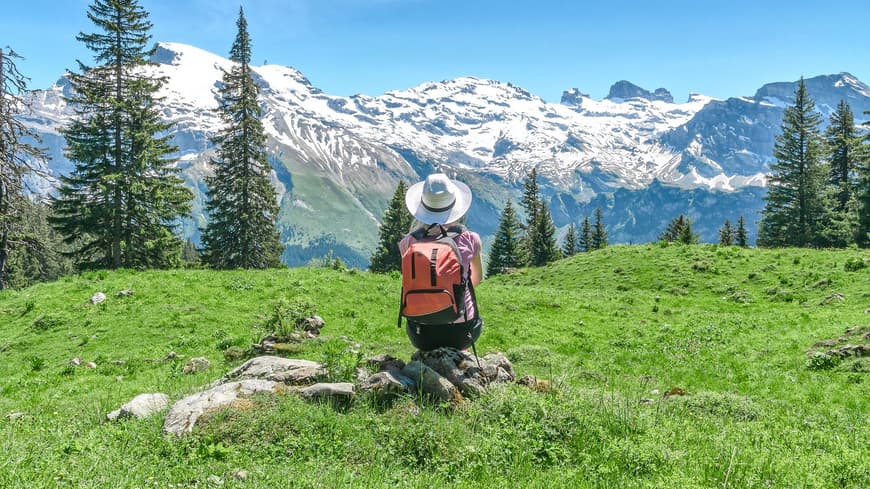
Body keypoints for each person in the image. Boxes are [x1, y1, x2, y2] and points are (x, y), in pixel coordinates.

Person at [399, 173, 484, 351]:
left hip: (420, 333)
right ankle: (460, 356)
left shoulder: (408, 243)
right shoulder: (470, 239)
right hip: (462, 333)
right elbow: (477, 279)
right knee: (471, 313)